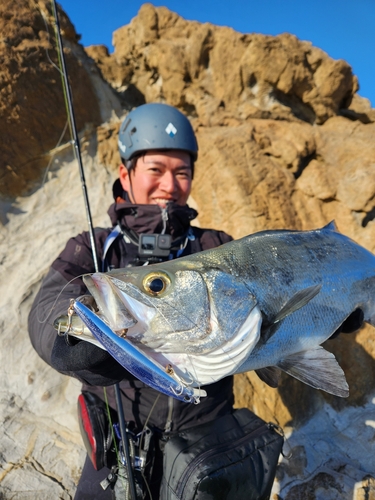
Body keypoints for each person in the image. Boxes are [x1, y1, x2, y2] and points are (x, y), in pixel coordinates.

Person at [28, 103, 234, 499]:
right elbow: (47, 305)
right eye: (155, 169)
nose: (170, 185)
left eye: (182, 172)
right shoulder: (92, 247)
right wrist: (72, 345)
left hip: (207, 438)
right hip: (119, 440)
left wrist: (318, 320)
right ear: (126, 174)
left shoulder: (214, 246)